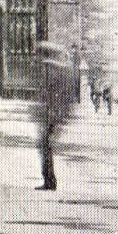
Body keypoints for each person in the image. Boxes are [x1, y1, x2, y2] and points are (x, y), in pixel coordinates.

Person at [36, 45, 75, 191]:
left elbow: (60, 96)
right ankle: (49, 179)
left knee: (45, 146)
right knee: (45, 146)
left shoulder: (56, 72)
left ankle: (50, 181)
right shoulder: (59, 71)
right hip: (53, 115)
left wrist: (57, 117)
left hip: (53, 116)